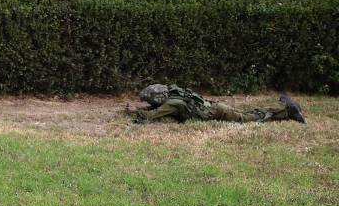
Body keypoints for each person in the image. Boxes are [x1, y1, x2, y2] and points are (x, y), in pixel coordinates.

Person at [130, 84, 306, 124]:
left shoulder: (172, 103)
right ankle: (284, 109)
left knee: (247, 118)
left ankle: (287, 112)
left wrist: (134, 111)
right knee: (247, 113)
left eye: (150, 99)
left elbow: (151, 116)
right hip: (214, 107)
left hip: (215, 112)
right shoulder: (173, 92)